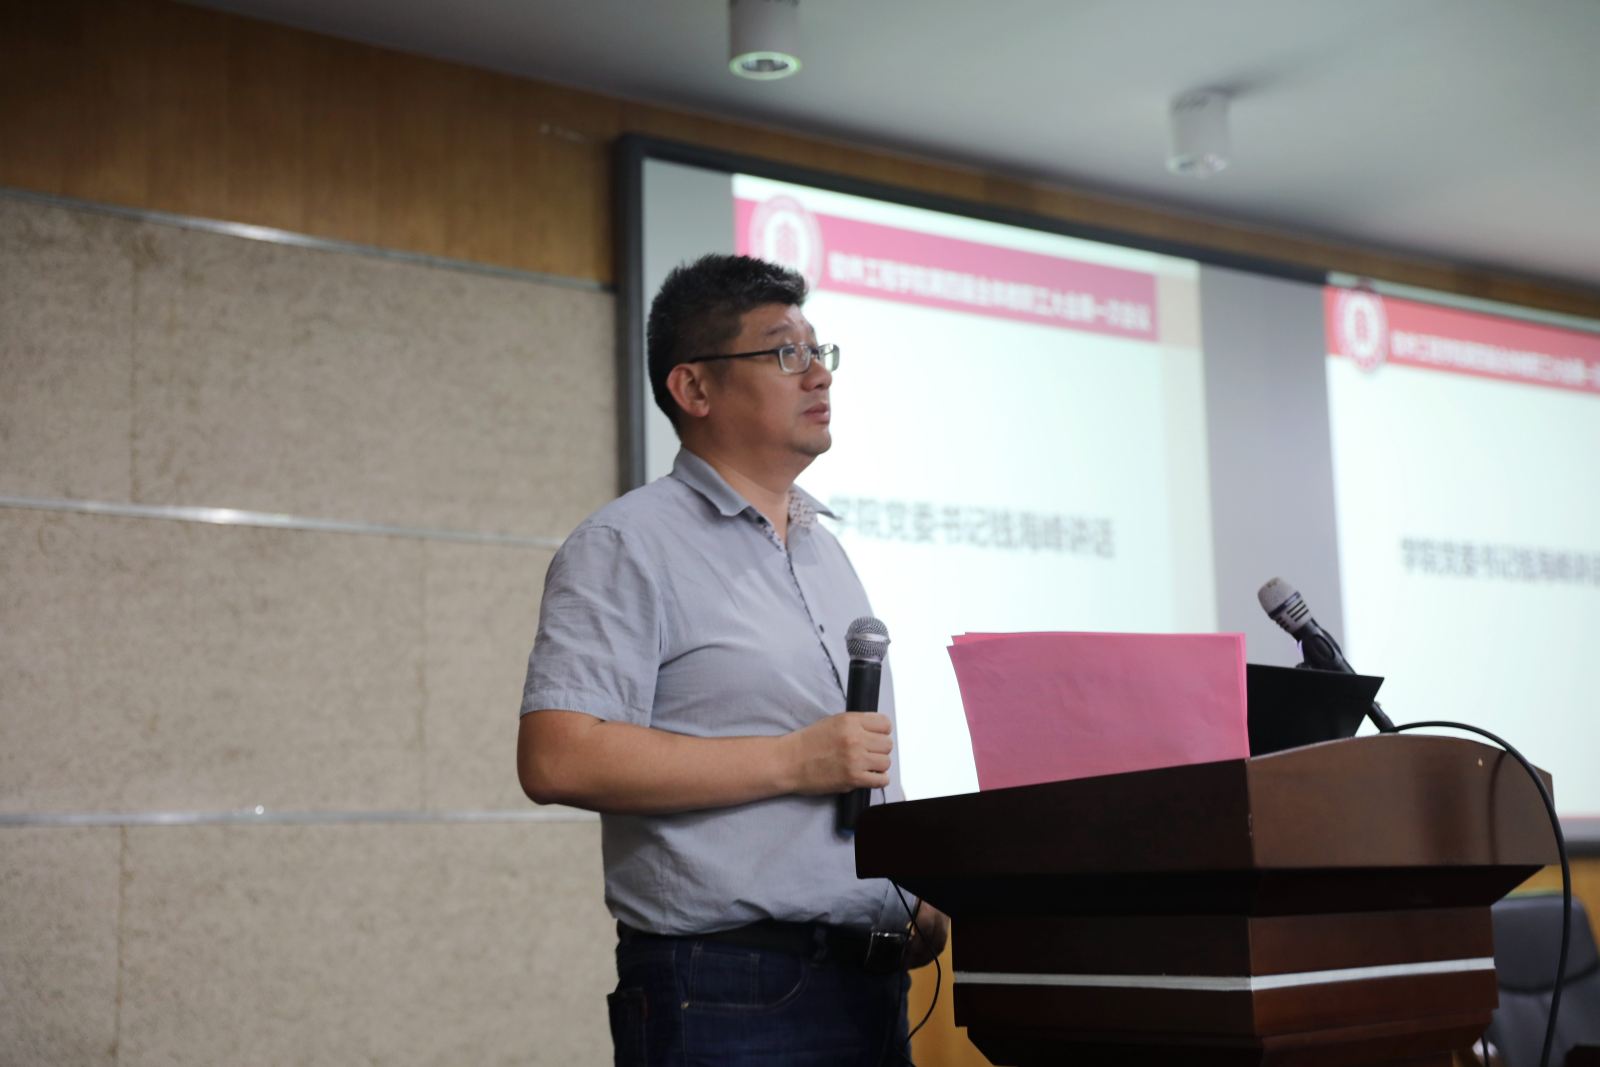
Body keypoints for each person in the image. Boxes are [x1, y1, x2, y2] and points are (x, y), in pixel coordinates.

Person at [517, 253, 948, 1066]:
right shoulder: (628, 544)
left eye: (819, 350)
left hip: (871, 982)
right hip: (727, 988)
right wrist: (793, 759)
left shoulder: (823, 549)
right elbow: (557, 756)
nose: (818, 373)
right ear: (695, 388)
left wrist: (909, 890)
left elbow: (856, 764)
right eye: (785, 352)